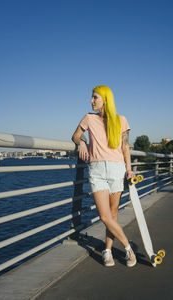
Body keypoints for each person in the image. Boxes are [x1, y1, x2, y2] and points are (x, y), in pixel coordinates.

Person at [72, 85, 136, 267]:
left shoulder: (121, 120)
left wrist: (129, 169)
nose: (91, 101)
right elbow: (75, 136)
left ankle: (107, 251)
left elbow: (125, 148)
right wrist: (82, 143)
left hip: (117, 169)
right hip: (97, 170)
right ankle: (128, 247)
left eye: (95, 98)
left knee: (113, 214)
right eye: (92, 98)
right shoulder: (89, 118)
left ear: (105, 100)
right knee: (104, 216)